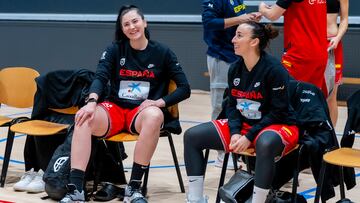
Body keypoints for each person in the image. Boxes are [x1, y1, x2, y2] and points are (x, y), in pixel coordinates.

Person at [60, 5, 191, 203]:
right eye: (126, 24)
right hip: (115, 109)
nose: (132, 27)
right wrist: (92, 101)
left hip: (140, 112)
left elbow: (184, 88)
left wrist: (159, 102)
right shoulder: (115, 49)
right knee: (84, 117)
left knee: (155, 115)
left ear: (144, 22)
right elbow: (100, 77)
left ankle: (134, 188)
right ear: (122, 29)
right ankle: (75, 190)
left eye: (135, 21)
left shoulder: (163, 52)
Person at [184, 22, 298, 203]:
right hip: (246, 125)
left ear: (254, 42)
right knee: (192, 136)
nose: (233, 40)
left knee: (265, 144)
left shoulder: (275, 69)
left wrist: (249, 136)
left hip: (277, 123)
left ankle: (258, 201)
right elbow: (232, 106)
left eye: (239, 35)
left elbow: (279, 111)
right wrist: (236, 132)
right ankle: (196, 198)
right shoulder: (235, 68)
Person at [202, 0, 261, 168]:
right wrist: (240, 19)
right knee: (220, 105)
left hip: (236, 56)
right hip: (221, 56)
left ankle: (236, 147)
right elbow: (209, 23)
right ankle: (221, 153)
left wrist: (248, 20)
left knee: (238, 104)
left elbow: (237, 18)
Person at [259, 0, 328, 96]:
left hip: (299, 54)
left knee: (287, 97)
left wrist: (262, 8)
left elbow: (272, 15)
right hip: (320, 52)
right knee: (310, 98)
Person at [327, 0, 348, 127]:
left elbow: (344, 19)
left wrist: (338, 37)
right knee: (307, 90)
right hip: (311, 43)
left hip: (332, 43)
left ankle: (331, 138)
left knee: (332, 94)